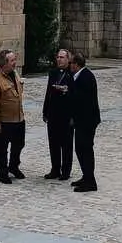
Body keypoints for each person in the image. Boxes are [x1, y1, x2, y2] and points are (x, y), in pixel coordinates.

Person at [0, 49, 26, 184]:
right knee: (2, 149)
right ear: (4, 63)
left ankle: (13, 167)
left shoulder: (15, 74)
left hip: (19, 118)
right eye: (12, 60)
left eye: (15, 59)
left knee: (19, 144)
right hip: (4, 121)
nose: (15, 62)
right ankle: (3, 173)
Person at [69, 51, 101, 192]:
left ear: (76, 64)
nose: (69, 65)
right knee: (80, 149)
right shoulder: (80, 76)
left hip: (86, 121)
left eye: (71, 63)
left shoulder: (85, 77)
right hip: (83, 120)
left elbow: (82, 100)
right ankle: (86, 176)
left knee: (85, 149)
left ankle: (90, 181)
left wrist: (68, 91)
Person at [42, 48, 73, 181]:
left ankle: (66, 170)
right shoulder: (53, 73)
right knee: (53, 142)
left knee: (66, 144)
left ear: (68, 59)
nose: (59, 60)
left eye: (62, 57)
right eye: (58, 57)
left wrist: (66, 90)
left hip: (66, 114)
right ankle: (55, 169)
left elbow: (75, 95)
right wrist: (45, 111)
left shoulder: (71, 73)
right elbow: (48, 93)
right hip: (53, 113)